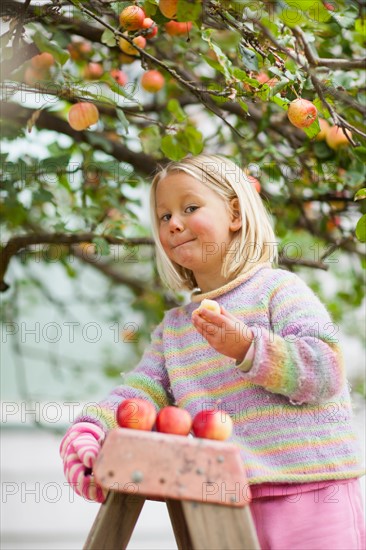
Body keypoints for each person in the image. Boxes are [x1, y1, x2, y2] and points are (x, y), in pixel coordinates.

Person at [60, 154, 365, 549]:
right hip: (223, 506)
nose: (174, 223)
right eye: (164, 216)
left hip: (310, 490)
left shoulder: (278, 290)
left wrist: (247, 347)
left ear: (235, 214)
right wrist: (92, 430)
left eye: (190, 208)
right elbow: (136, 395)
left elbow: (326, 372)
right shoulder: (175, 329)